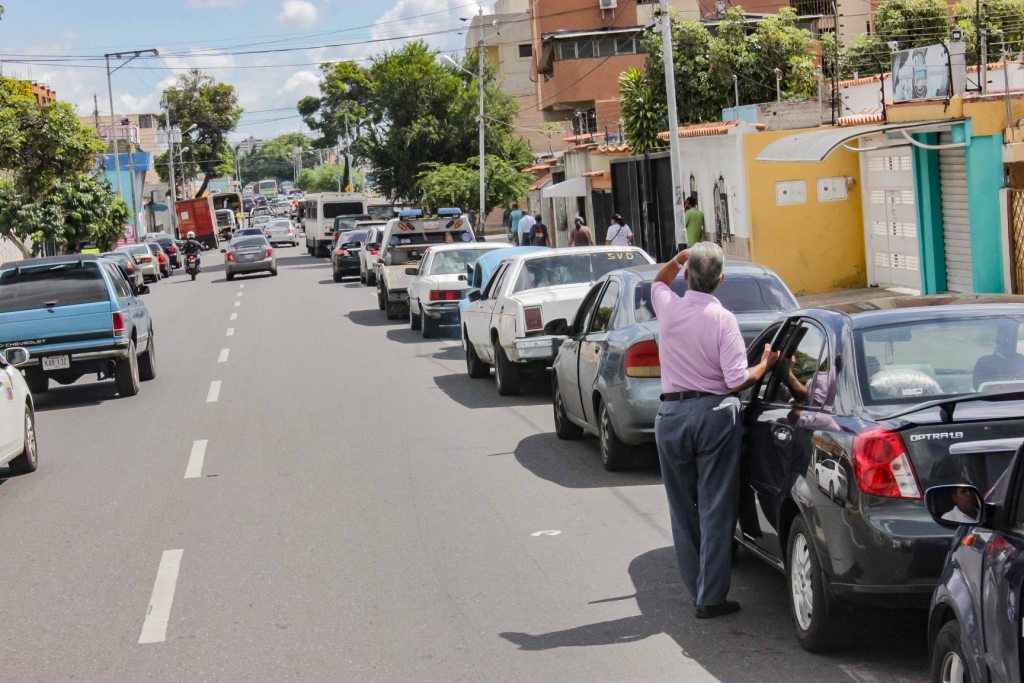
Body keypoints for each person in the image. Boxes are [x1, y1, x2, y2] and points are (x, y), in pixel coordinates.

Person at [652, 242, 777, 619]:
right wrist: (766, 364)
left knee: (682, 508)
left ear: (687, 276)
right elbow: (737, 380)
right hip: (713, 417)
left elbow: (658, 281)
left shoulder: (669, 309)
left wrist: (678, 259)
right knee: (715, 507)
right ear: (721, 281)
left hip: (671, 416)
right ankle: (710, 596)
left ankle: (697, 590)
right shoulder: (723, 320)